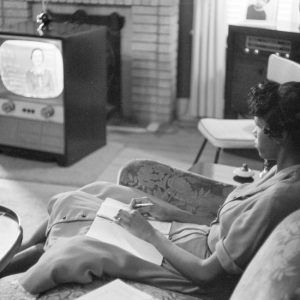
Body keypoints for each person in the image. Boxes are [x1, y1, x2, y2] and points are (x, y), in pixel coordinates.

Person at [1, 81, 300, 297]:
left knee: (82, 248)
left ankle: (16, 288)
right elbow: (222, 226)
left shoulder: (278, 199)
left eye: (258, 128)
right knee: (97, 192)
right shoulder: (278, 167)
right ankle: (20, 250)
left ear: (283, 135)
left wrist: (149, 233)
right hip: (192, 239)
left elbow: (208, 273)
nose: (253, 134)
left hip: (193, 271)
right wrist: (168, 212)